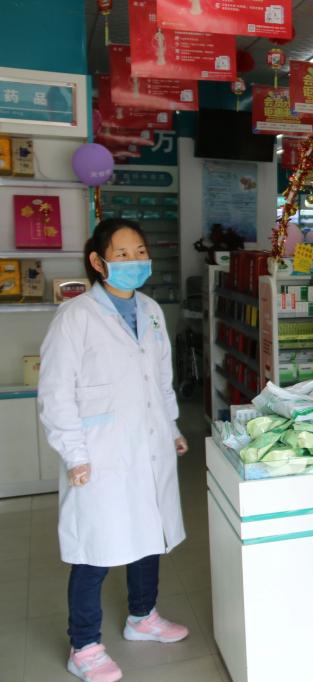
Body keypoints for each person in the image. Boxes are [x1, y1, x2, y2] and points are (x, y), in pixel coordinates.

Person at [38, 219, 190, 682]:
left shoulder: (151, 310)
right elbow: (55, 392)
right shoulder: (76, 316)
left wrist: (172, 426)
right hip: (99, 451)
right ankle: (84, 646)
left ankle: (142, 617)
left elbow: (160, 378)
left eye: (140, 251)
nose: (134, 261)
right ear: (98, 261)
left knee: (149, 533)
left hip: (148, 441)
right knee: (94, 549)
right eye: (121, 254)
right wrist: (75, 454)